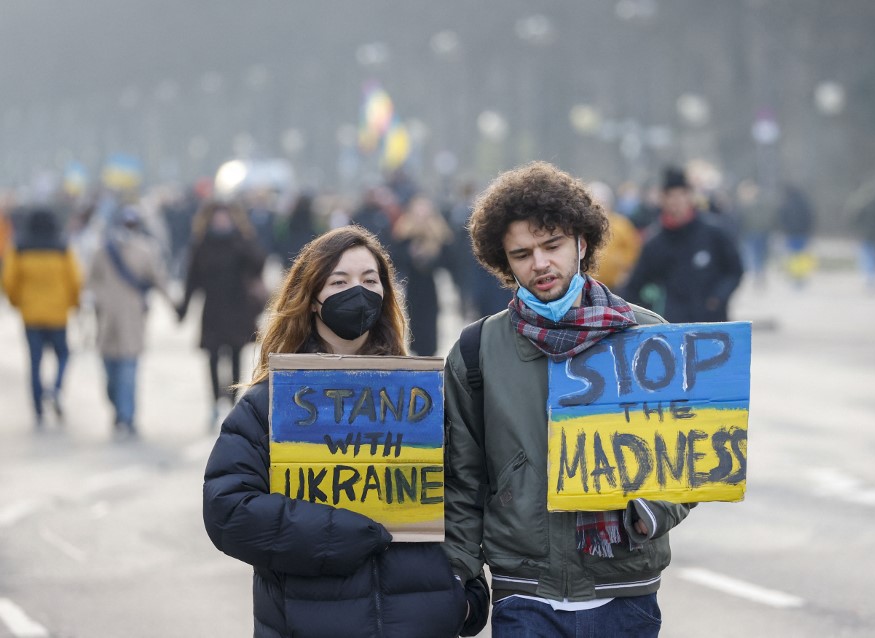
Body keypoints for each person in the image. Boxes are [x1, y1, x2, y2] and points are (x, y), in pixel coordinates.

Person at [443, 162, 694, 637]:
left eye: (552, 246)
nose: (539, 264)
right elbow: (463, 477)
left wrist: (652, 512)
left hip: (624, 589)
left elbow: (688, 456)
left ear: (582, 243)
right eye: (521, 253)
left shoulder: (648, 337)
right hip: (524, 590)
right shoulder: (476, 351)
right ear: (504, 261)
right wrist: (461, 572)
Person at [202, 225, 487, 638]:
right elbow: (227, 509)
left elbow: (467, 491)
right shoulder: (273, 402)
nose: (359, 291)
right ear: (313, 299)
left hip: (421, 618)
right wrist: (337, 533)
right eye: (340, 281)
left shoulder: (422, 398)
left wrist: (463, 590)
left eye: (370, 281)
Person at [177, 199, 267, 428]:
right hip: (213, 311)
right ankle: (215, 403)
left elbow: (259, 263)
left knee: (237, 357)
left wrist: (241, 240)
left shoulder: (241, 240)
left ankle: (234, 402)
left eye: (225, 217)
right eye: (217, 218)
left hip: (238, 309)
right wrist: (184, 308)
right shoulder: (202, 244)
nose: (221, 221)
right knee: (213, 358)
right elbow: (192, 279)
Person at [87, 206, 171, 438]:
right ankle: (118, 407)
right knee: (110, 374)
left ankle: (127, 416)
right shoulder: (102, 251)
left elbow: (158, 279)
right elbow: (91, 280)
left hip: (132, 320)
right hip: (106, 321)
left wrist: (174, 305)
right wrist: (94, 300)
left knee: (129, 370)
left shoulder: (146, 250)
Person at [622, 166, 744, 323]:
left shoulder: (714, 233)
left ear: (690, 196)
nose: (676, 202)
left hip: (712, 324)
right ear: (662, 199)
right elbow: (635, 285)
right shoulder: (654, 242)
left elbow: (734, 270)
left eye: (681, 195)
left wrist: (717, 298)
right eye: (671, 196)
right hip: (671, 328)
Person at [2, 207, 82, 428]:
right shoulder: (61, 248)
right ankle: (55, 388)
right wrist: (73, 304)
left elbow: (9, 281)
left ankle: (38, 408)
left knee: (35, 362)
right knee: (63, 354)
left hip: (31, 315)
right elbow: (75, 280)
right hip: (58, 314)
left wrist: (17, 302)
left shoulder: (20, 249)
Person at [391, 194, 452, 355]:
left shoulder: (438, 234)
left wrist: (431, 256)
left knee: (430, 322)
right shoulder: (405, 233)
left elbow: (448, 259)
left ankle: (429, 351)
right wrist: (411, 254)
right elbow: (396, 257)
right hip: (413, 285)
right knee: (414, 320)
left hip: (430, 285)